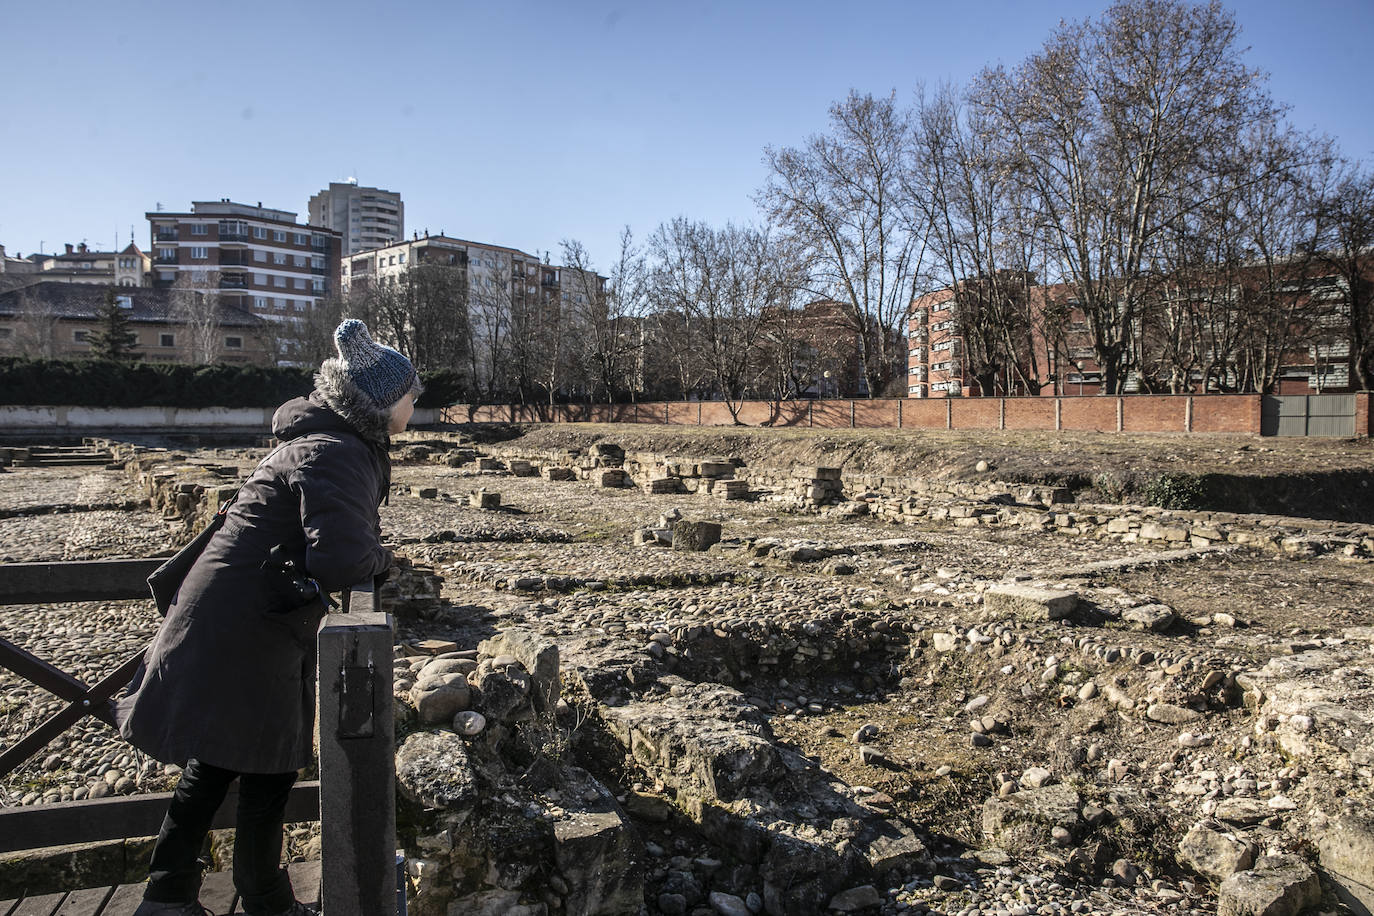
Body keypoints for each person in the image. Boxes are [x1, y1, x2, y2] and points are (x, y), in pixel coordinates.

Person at [114, 319, 421, 916]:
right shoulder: (338, 453)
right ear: (381, 401)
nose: (415, 402)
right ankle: (264, 901)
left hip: (234, 614)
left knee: (224, 760)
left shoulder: (325, 442)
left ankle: (170, 894)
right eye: (410, 393)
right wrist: (385, 558)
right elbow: (341, 558)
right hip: (251, 623)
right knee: (267, 765)